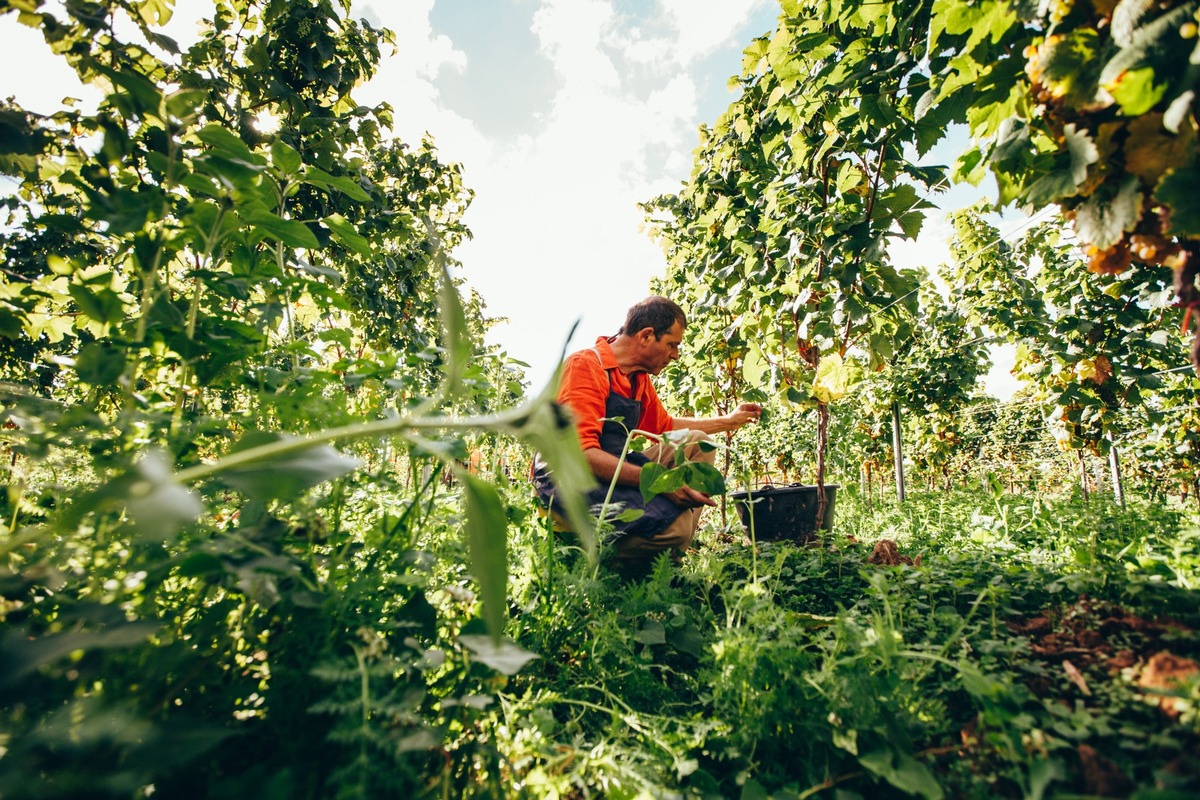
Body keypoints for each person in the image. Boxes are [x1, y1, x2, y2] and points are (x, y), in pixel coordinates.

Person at [533, 296, 762, 564]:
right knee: (675, 529)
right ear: (646, 335)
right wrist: (660, 483)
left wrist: (729, 422)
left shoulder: (636, 377)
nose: (675, 355)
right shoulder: (586, 366)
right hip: (569, 481)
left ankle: (669, 558)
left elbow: (665, 427)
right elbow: (583, 455)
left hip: (610, 468)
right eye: (672, 345)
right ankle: (594, 562)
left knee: (698, 443)